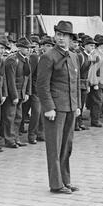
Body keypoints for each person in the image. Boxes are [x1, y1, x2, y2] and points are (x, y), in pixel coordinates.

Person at [37, 20, 81, 194]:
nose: (61, 38)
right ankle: (56, 184)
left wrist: (77, 105)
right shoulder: (48, 57)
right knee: (54, 147)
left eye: (65, 36)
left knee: (66, 146)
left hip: (69, 107)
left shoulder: (73, 56)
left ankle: (65, 180)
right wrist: (48, 107)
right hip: (55, 108)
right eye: (59, 35)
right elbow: (42, 85)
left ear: (71, 38)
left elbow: (76, 83)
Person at [0, 37, 32, 148]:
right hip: (13, 94)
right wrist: (14, 96)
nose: (28, 50)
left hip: (21, 93)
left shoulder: (26, 60)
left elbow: (28, 77)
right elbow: (10, 79)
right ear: (19, 48)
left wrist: (27, 92)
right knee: (10, 117)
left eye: (29, 48)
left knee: (18, 117)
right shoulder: (12, 59)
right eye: (26, 48)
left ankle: (16, 138)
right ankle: (9, 140)